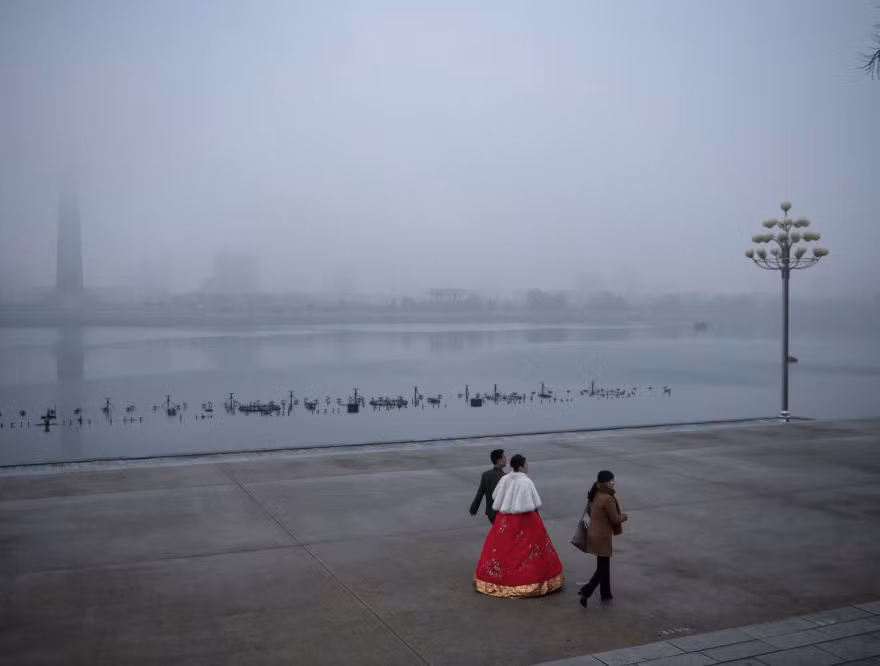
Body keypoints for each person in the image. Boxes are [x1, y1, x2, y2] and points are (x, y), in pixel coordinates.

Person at [473, 454, 564, 598]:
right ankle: (530, 581)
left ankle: (498, 581)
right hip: (525, 520)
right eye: (526, 464)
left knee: (502, 549)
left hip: (504, 520)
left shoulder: (505, 478)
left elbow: (496, 496)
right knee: (530, 550)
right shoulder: (525, 481)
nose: (527, 466)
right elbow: (533, 503)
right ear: (521, 466)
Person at [578, 469, 627, 607]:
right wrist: (625, 516)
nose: (613, 483)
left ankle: (606, 593)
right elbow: (615, 519)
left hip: (593, 533)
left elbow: (589, 511)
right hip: (602, 537)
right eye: (611, 481)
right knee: (602, 569)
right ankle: (586, 591)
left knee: (604, 565)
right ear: (605, 482)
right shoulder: (608, 498)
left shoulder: (595, 493)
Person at [469, 448, 506, 524]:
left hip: (490, 513)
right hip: (501, 513)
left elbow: (480, 493)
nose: (506, 459)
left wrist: (474, 508)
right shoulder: (505, 477)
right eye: (504, 457)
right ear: (499, 460)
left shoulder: (486, 475)